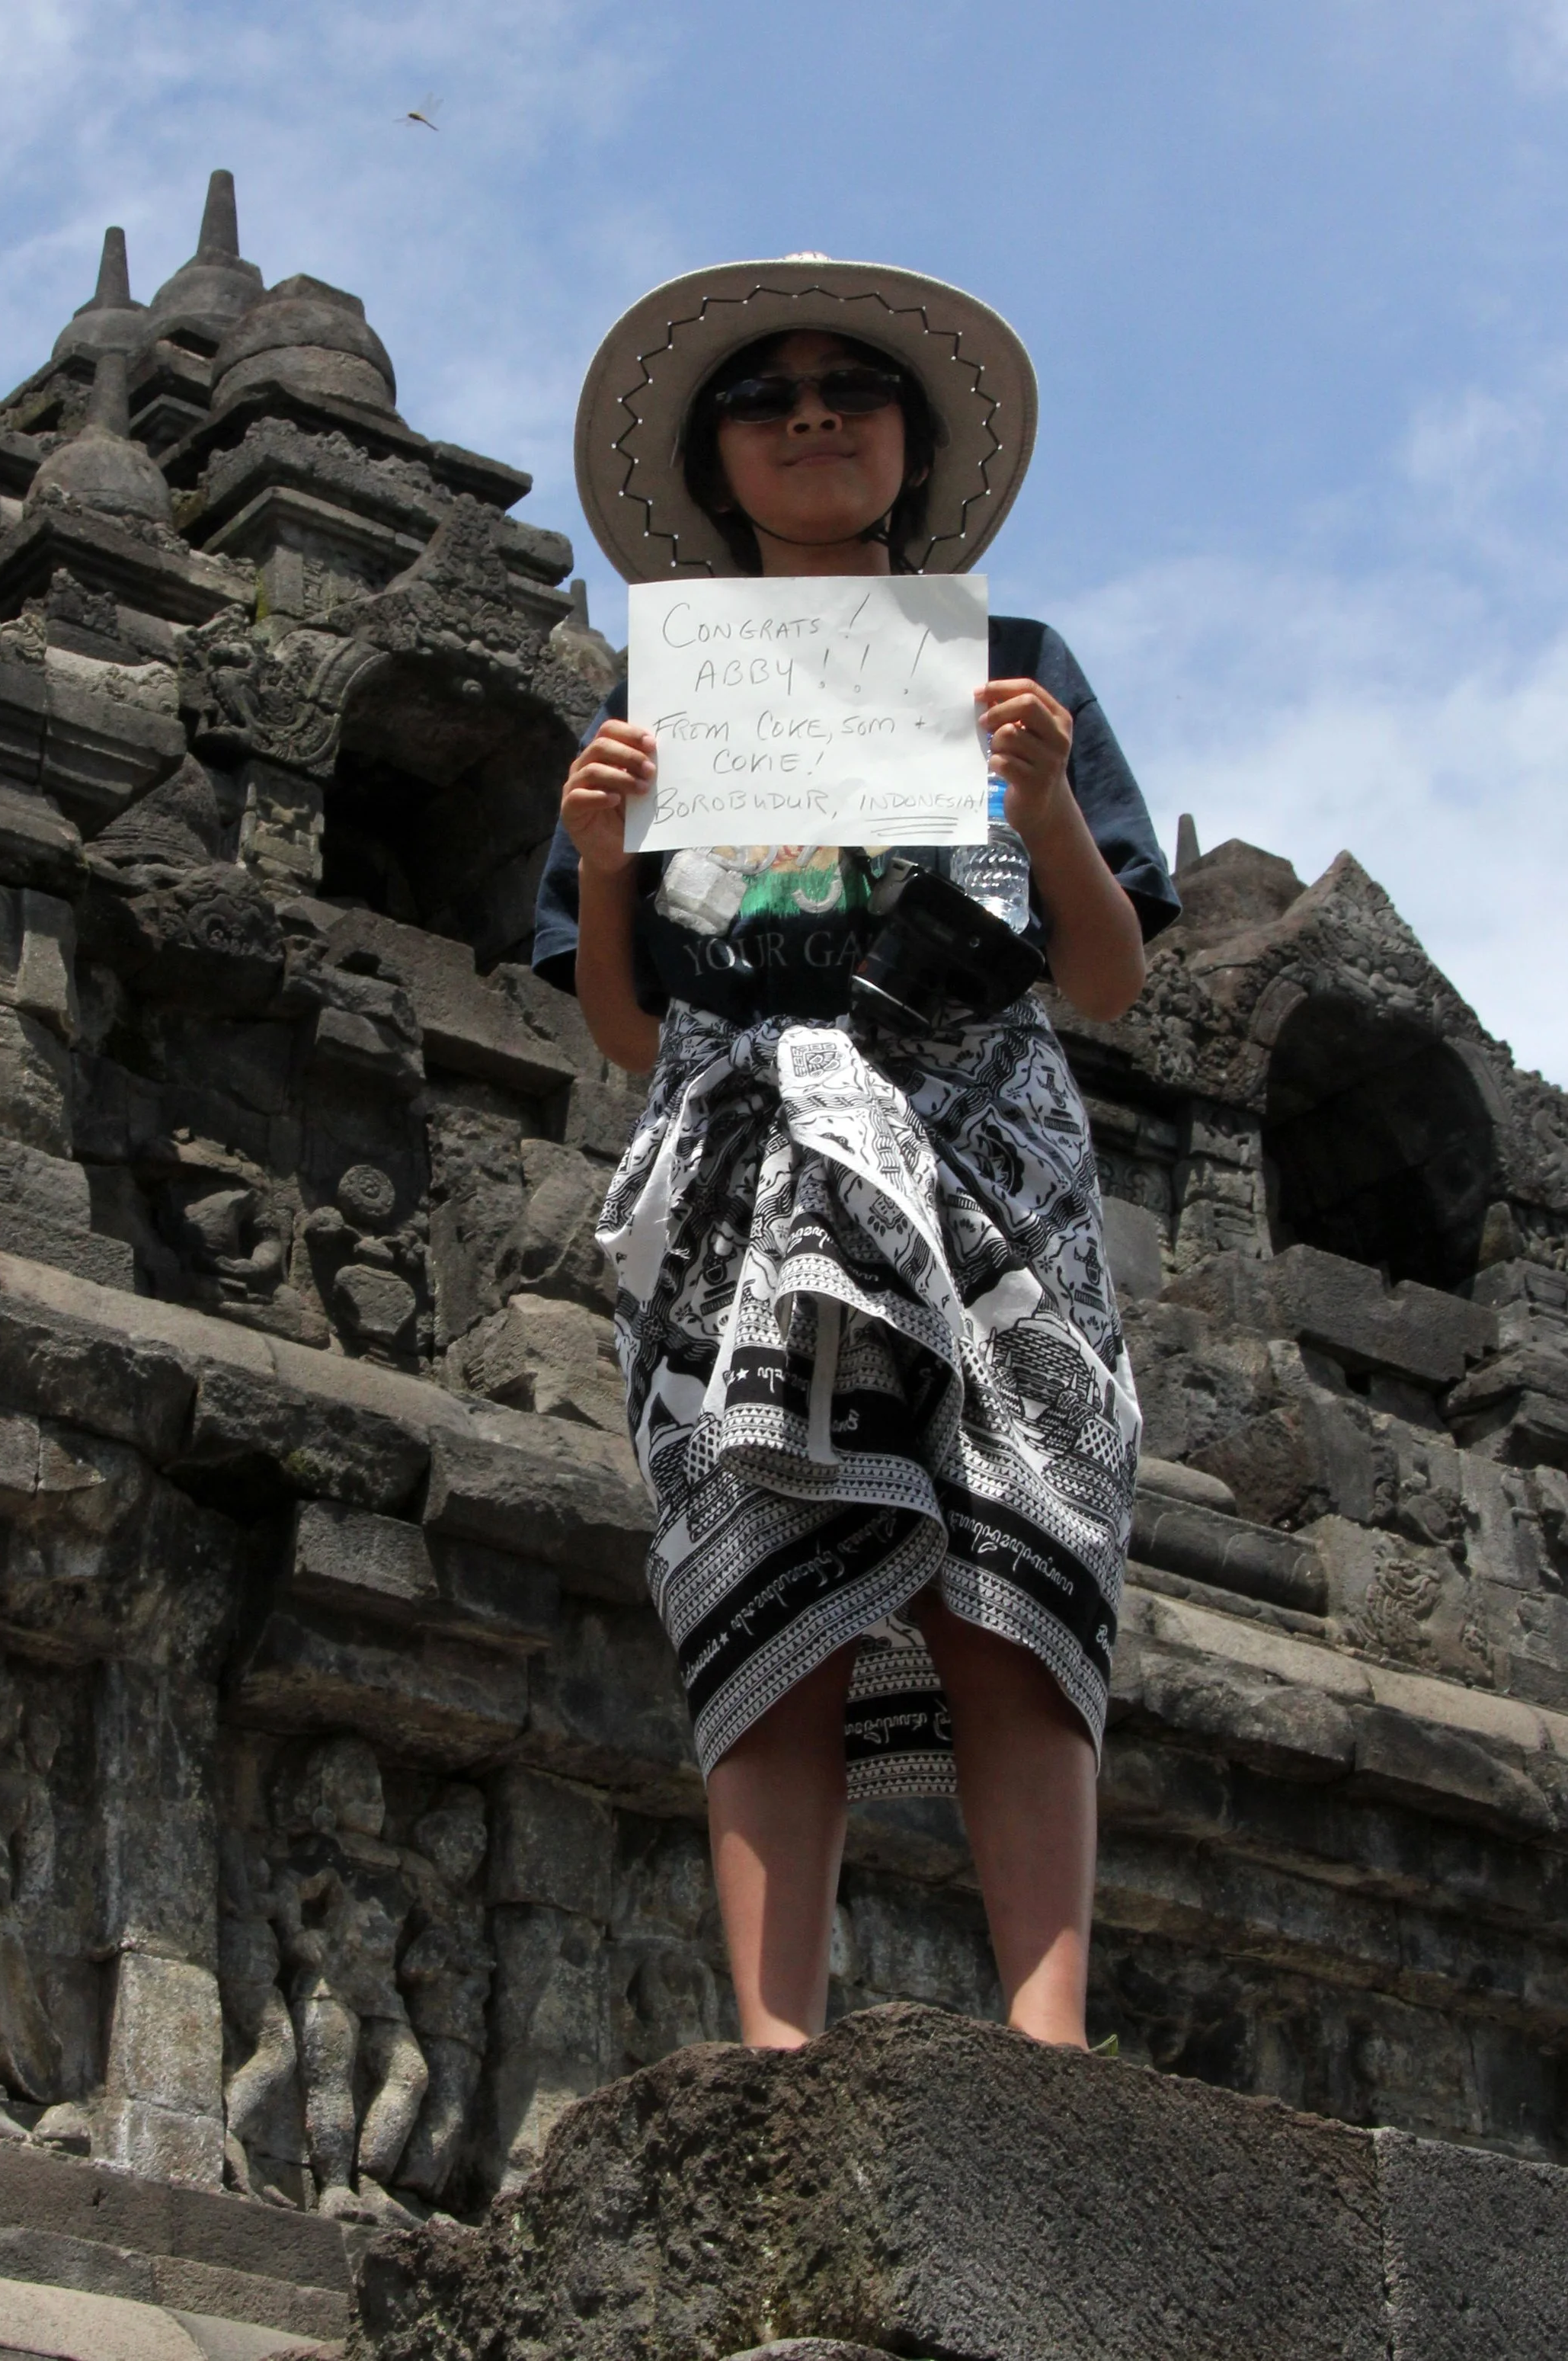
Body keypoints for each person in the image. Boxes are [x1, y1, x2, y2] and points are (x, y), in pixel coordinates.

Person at [533, 258, 1179, 2053]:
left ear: (910, 444)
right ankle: (774, 2039)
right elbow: (628, 1028)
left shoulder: (1012, 673)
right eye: (764, 395)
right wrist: (600, 856)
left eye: (849, 387)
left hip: (983, 1136)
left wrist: (1040, 800)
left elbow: (1111, 978)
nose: (811, 413)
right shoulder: (653, 695)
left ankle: (1046, 2037)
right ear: (714, 461)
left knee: (1014, 1534)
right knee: (766, 1551)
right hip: (742, 1154)